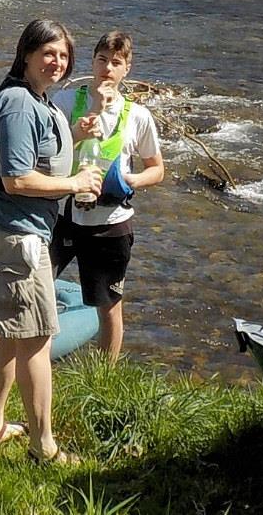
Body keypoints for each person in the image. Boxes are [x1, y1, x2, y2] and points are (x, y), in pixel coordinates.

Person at [0, 19, 102, 463]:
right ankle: (44, 447)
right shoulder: (20, 104)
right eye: (48, 53)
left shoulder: (31, 99)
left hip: (0, 230)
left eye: (63, 55)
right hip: (16, 237)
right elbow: (17, 178)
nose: (57, 62)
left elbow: (32, 153)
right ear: (26, 54)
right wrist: (75, 183)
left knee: (9, 333)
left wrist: (73, 136)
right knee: (37, 341)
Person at [49, 31, 165, 361]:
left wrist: (131, 179)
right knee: (30, 285)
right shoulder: (65, 102)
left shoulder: (137, 116)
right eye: (102, 60)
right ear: (92, 62)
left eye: (116, 63)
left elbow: (157, 169)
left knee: (109, 307)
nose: (107, 69)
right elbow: (47, 153)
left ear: (127, 69)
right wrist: (84, 122)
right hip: (64, 216)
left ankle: (103, 376)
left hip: (111, 224)